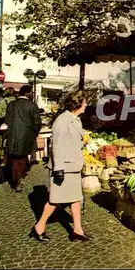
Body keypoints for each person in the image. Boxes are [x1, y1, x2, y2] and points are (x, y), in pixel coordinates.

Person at [30, 90, 89, 242]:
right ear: (78, 103)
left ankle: (77, 230)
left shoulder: (75, 119)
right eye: (85, 102)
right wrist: (59, 169)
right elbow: (57, 146)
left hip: (73, 166)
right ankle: (39, 227)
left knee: (76, 198)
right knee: (55, 200)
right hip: (64, 168)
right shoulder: (62, 121)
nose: (86, 105)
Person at [4, 85, 41, 192]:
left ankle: (16, 179)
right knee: (22, 159)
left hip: (12, 136)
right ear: (28, 93)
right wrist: (33, 133)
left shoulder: (11, 105)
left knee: (14, 159)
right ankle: (19, 178)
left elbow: (7, 121)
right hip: (26, 137)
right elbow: (37, 123)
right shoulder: (32, 106)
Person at [0, 87, 16, 166]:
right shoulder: (17, 102)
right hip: (14, 128)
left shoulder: (2, 102)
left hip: (3, 128)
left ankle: (2, 163)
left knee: (1, 146)